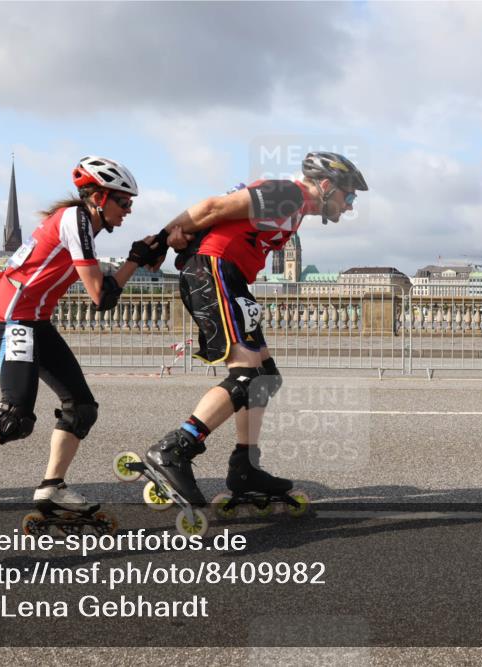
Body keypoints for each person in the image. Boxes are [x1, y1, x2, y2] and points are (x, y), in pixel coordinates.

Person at [0, 156, 168, 534]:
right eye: (124, 202)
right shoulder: (76, 220)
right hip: (16, 317)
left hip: (30, 318)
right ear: (99, 198)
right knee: (15, 414)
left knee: (82, 407)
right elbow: (101, 298)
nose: (129, 210)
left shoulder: (80, 225)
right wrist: (133, 261)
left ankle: (52, 489)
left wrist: (137, 260)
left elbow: (39, 267)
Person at [145, 151, 368, 506]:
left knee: (265, 376)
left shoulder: (294, 211)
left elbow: (220, 219)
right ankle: (175, 448)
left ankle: (245, 467)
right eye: (349, 195)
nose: (350, 204)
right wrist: (159, 240)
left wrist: (181, 237)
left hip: (230, 278)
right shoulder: (288, 194)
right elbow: (212, 208)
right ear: (326, 186)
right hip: (214, 271)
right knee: (246, 376)